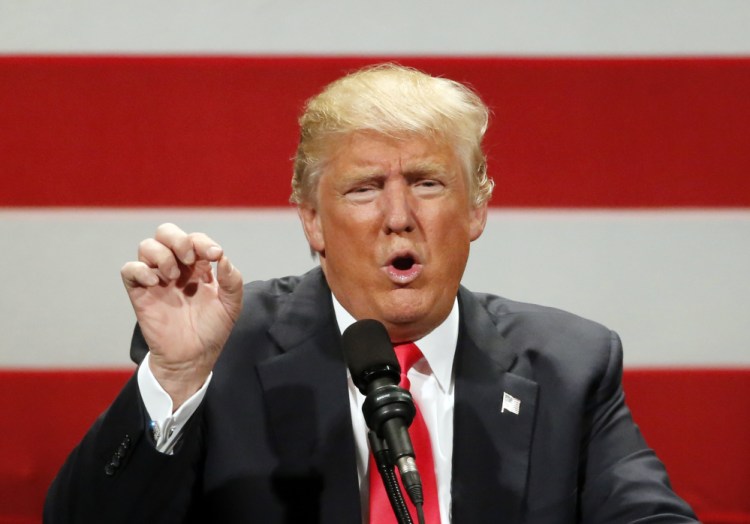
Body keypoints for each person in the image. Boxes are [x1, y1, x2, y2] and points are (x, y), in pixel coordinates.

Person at [45, 63, 698, 523]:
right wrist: (178, 376)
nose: (398, 216)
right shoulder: (222, 354)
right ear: (311, 220)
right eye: (363, 189)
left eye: (428, 182)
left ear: (477, 209)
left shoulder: (570, 365)